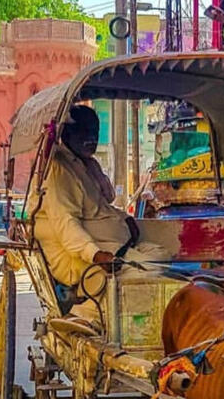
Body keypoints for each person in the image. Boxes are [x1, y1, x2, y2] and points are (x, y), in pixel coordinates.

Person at [31, 105, 165, 320]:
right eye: (85, 132)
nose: (92, 138)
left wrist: (126, 219)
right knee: (150, 274)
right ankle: (88, 314)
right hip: (78, 256)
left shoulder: (85, 164)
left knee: (161, 256)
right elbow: (66, 223)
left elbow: (106, 201)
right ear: (68, 133)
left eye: (95, 132)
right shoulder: (59, 169)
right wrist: (95, 254)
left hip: (111, 246)